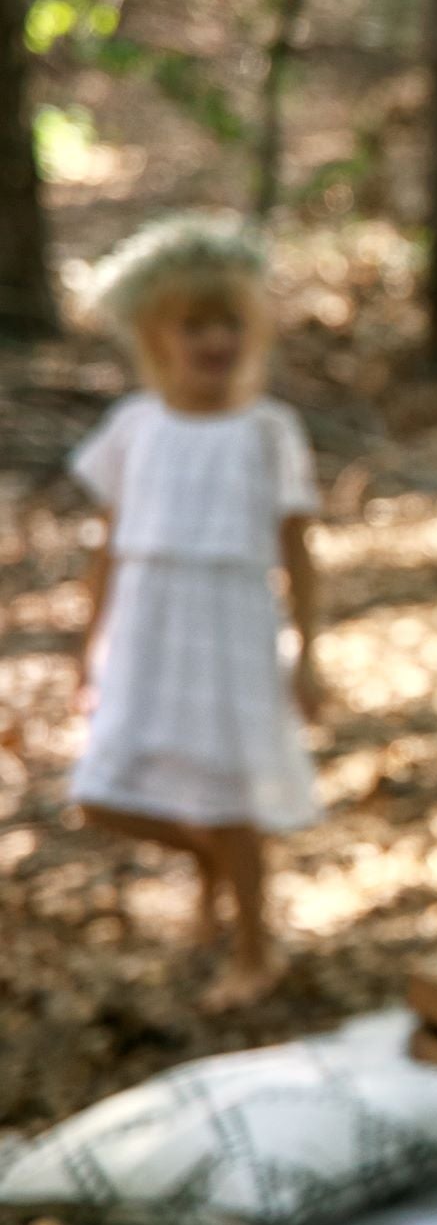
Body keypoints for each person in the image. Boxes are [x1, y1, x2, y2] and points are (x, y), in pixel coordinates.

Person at [68, 214, 323, 1011]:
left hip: (231, 624)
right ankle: (205, 858)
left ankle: (255, 946)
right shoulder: (135, 427)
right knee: (103, 791)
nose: (213, 340)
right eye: (194, 324)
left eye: (229, 323)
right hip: (151, 622)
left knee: (230, 790)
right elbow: (107, 547)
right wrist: (90, 642)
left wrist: (310, 650)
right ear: (156, 333)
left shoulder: (267, 431)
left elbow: (300, 551)